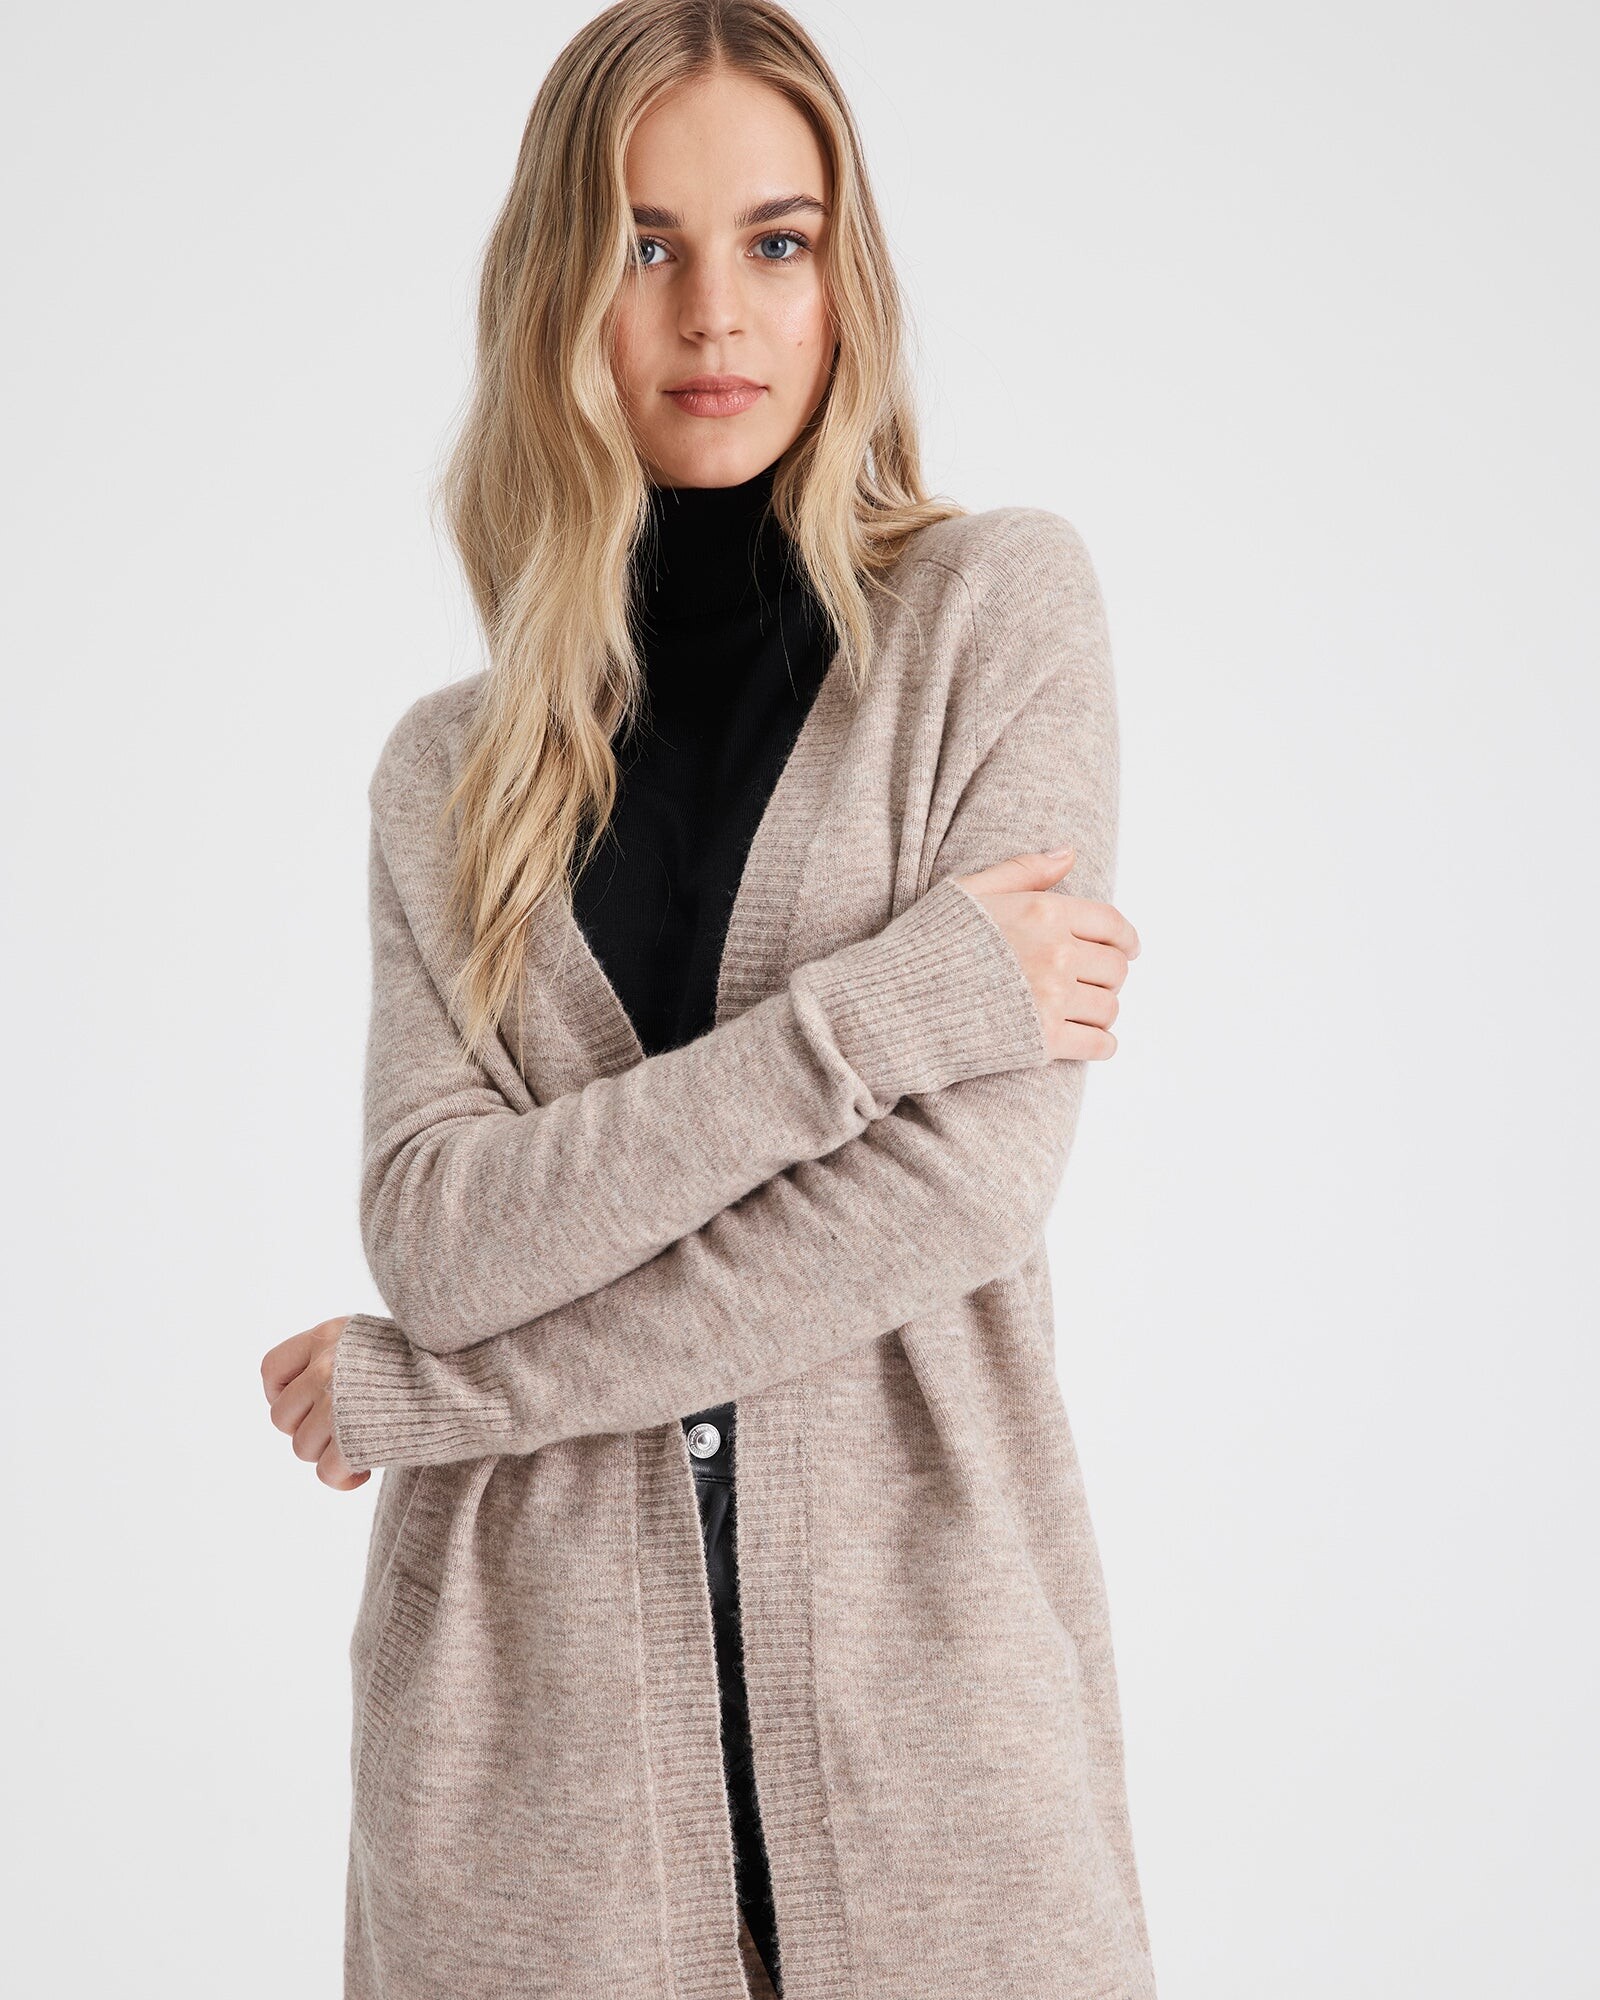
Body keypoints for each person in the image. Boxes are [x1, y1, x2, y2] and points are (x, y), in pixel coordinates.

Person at [260, 5, 1154, 1997]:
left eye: (774, 238)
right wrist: (894, 1009)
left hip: (942, 1755)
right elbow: (441, 1236)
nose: (711, 311)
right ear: (557, 288)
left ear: (846, 271)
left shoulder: (992, 622)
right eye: (642, 244)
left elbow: (959, 1193)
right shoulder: (448, 777)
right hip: (523, 1796)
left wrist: (434, 1397)